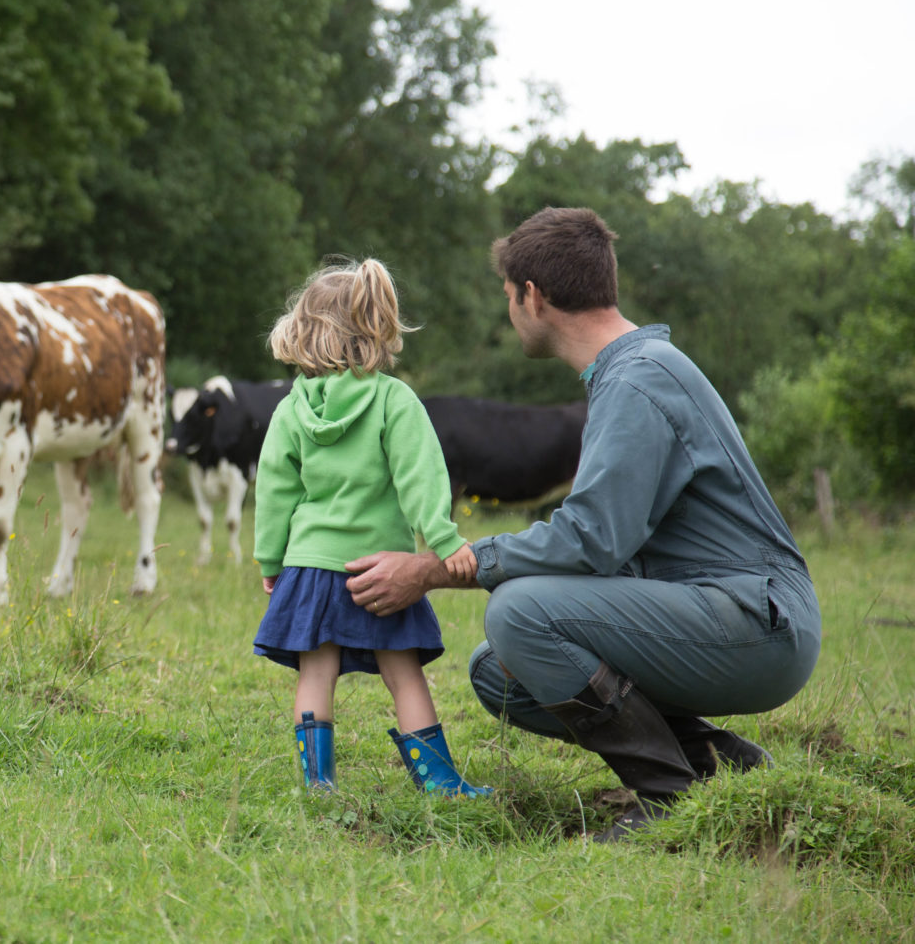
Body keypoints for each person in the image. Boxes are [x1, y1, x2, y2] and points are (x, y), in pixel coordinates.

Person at [343, 207, 821, 839]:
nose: (509, 310)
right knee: (501, 673)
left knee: (519, 614)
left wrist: (436, 568)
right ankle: (721, 766)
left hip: (755, 623)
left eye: (508, 297)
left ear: (532, 297)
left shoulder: (638, 381)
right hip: (722, 611)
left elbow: (592, 540)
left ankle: (667, 800)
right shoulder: (631, 370)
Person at [253, 258, 489, 796]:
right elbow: (421, 477)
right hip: (382, 571)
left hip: (310, 566)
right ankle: (440, 784)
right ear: (374, 327)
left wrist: (271, 561)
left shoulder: (291, 409)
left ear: (303, 331)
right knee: (404, 675)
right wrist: (444, 540)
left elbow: (274, 492)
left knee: (315, 674)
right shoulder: (392, 399)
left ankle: (319, 785)